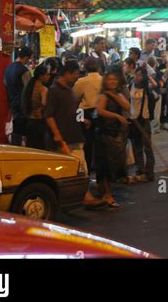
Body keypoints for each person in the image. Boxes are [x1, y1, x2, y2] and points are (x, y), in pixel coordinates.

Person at [44, 59, 104, 208]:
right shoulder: (54, 91)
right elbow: (49, 115)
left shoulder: (69, 89)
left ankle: (82, 196)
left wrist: (82, 119)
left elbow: (71, 110)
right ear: (68, 73)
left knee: (79, 168)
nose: (77, 77)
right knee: (78, 168)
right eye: (76, 74)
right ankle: (84, 197)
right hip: (63, 139)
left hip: (73, 136)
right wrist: (57, 134)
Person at [95, 71, 131, 207]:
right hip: (105, 133)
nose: (112, 82)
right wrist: (116, 116)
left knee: (114, 164)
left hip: (115, 134)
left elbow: (128, 107)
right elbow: (100, 111)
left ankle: (105, 190)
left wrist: (116, 98)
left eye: (114, 80)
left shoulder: (118, 95)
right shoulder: (103, 96)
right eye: (109, 80)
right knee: (106, 164)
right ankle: (107, 194)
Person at [73, 59, 103, 172]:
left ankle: (87, 171)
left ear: (85, 68)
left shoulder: (81, 81)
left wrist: (80, 118)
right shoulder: (103, 80)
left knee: (87, 147)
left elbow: (74, 102)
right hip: (101, 114)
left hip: (86, 115)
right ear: (99, 67)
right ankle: (101, 175)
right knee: (100, 146)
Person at [129, 67, 156, 182]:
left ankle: (149, 173)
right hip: (133, 120)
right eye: (136, 74)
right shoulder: (130, 85)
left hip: (144, 119)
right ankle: (140, 170)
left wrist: (148, 76)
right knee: (136, 147)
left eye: (140, 75)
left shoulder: (147, 87)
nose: (138, 77)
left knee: (147, 147)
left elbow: (155, 84)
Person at [4, 46, 32, 146]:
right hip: (22, 104)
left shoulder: (8, 69)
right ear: (26, 58)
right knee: (23, 132)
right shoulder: (24, 70)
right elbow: (28, 89)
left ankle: (15, 148)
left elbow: (6, 86)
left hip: (13, 102)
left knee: (16, 130)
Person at [22, 63, 50, 149]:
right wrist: (41, 109)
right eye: (47, 74)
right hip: (39, 123)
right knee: (40, 148)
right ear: (41, 76)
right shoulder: (43, 89)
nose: (49, 76)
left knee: (30, 148)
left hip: (29, 121)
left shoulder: (29, 87)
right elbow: (44, 103)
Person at [147, 55, 163, 132]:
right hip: (157, 93)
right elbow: (162, 83)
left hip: (148, 94)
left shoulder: (145, 72)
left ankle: (149, 127)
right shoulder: (157, 72)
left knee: (149, 111)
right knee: (156, 112)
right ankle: (155, 128)